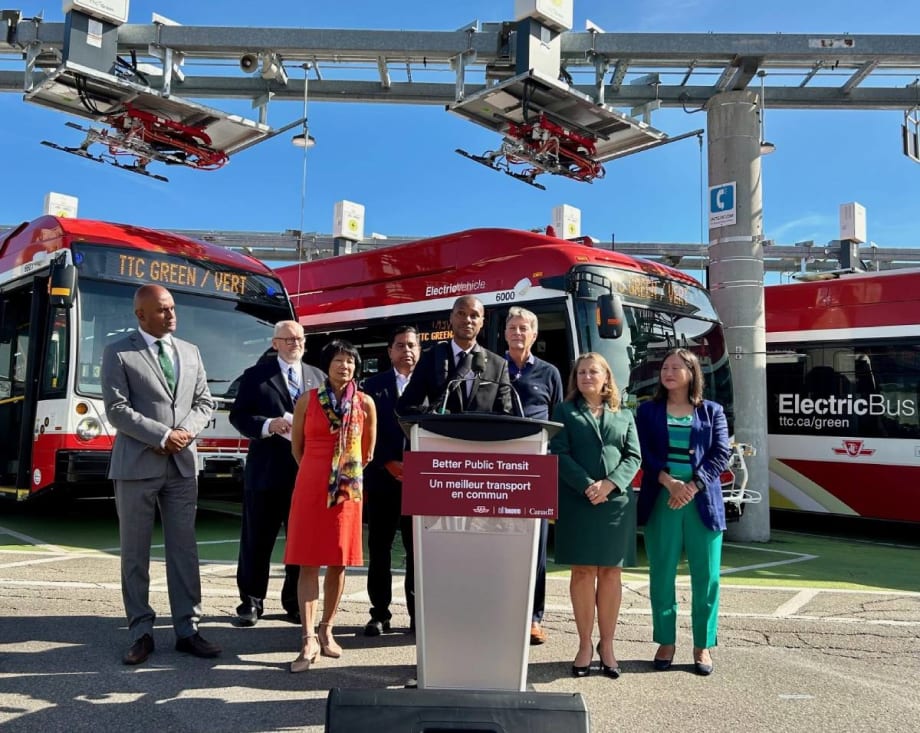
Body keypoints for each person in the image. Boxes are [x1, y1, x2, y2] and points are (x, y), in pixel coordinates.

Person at [101, 284, 220, 665]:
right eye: (162, 310)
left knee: (184, 550)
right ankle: (141, 632)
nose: (171, 315)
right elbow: (117, 409)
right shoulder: (118, 352)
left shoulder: (190, 352)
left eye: (172, 308)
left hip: (182, 465)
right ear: (141, 315)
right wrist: (162, 435)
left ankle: (188, 629)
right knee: (135, 553)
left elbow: (204, 401)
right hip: (136, 466)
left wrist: (184, 433)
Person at [636, 347, 730, 677]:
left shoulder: (713, 411)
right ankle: (665, 641)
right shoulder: (647, 412)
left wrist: (692, 486)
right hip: (662, 499)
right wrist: (668, 481)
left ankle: (702, 645)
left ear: (692, 374)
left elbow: (721, 454)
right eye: (665, 367)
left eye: (677, 367)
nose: (668, 372)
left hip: (702, 501)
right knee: (661, 574)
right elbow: (642, 452)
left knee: (706, 578)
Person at [285, 339, 376, 672]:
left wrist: (342, 476)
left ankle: (327, 630)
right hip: (310, 485)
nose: (344, 366)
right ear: (327, 365)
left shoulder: (366, 404)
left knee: (338, 562)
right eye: (338, 360)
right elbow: (297, 448)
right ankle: (307, 637)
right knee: (308, 561)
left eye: (350, 361)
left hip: (346, 492)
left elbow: (367, 453)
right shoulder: (307, 401)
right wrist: (319, 470)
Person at [549, 353, 641, 679]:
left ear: (606, 377)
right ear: (576, 377)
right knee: (583, 572)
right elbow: (558, 453)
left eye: (594, 371)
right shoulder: (564, 411)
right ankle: (585, 644)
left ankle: (609, 645)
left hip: (615, 503)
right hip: (579, 500)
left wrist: (610, 484)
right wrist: (588, 485)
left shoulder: (624, 414)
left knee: (612, 573)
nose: (588, 376)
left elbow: (634, 456)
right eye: (582, 371)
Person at [229, 320, 325, 627]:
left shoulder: (318, 377)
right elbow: (239, 415)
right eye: (288, 339)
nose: (295, 343)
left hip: (306, 475)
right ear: (275, 344)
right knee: (258, 540)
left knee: (301, 540)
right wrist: (267, 425)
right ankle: (251, 601)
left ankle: (294, 603)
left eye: (300, 339)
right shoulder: (256, 377)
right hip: (267, 474)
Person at [504, 306, 563, 646]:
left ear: (534, 334)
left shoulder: (550, 373)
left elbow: (557, 420)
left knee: (536, 548)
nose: (517, 332)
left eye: (524, 327)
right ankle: (501, 611)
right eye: (512, 327)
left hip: (536, 472)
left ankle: (533, 617)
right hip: (501, 470)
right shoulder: (493, 367)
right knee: (502, 544)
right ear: (505, 333)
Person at [361, 326, 421, 636]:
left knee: (418, 551)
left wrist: (414, 464)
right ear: (389, 351)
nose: (406, 350)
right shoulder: (372, 386)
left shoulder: (432, 385)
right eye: (400, 345)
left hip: (421, 481)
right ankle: (379, 613)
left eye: (412, 345)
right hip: (383, 478)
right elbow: (365, 430)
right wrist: (388, 461)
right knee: (380, 548)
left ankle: (417, 615)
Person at [397, 295, 513, 416]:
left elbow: (506, 413)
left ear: (482, 322)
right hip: (439, 434)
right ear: (451, 318)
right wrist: (433, 415)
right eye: (461, 313)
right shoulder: (430, 358)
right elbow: (405, 407)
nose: (467, 320)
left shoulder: (498, 365)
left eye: (474, 315)